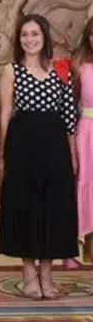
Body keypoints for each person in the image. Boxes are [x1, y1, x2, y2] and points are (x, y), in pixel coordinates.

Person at [0, 14, 78, 300]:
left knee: (53, 207)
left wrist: (73, 155)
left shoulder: (61, 69)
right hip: (22, 145)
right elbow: (5, 114)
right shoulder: (11, 71)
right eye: (24, 35)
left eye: (34, 34)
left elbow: (69, 117)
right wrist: (1, 154)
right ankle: (29, 272)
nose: (29, 39)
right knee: (25, 204)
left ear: (44, 37)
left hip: (55, 146)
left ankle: (47, 273)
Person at [74, 17, 93, 263]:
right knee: (87, 185)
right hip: (87, 132)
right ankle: (88, 250)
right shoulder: (80, 66)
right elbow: (71, 103)